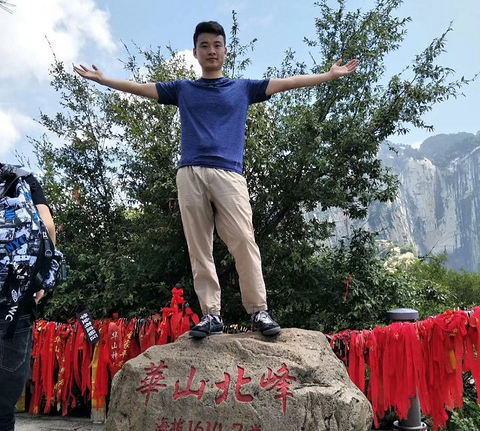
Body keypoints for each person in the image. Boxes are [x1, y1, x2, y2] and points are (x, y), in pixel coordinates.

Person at [74, 21, 358, 338]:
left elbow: (288, 83)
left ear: (225, 51)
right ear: (195, 52)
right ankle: (211, 315)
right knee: (199, 247)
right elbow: (142, 88)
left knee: (244, 241)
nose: (211, 50)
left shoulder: (242, 88)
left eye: (216, 45)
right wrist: (104, 80)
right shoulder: (183, 89)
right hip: (190, 173)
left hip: (229, 175)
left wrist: (329, 75)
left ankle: (259, 311)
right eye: (204, 45)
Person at [0, 169, 56, 431]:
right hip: (14, 310)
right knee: (2, 409)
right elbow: (47, 228)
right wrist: (39, 285)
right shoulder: (22, 179)